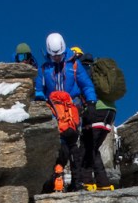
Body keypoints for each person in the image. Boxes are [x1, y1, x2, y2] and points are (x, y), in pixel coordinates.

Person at [37, 33, 97, 191]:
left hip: (72, 109)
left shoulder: (74, 65)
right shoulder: (44, 69)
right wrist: (40, 100)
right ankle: (55, 181)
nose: (57, 58)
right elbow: (39, 89)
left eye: (59, 55)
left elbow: (86, 85)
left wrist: (91, 102)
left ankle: (76, 182)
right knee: (58, 146)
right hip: (53, 111)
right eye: (53, 56)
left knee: (73, 144)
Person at [72, 48, 117, 190]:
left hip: (95, 110)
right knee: (93, 147)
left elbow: (80, 91)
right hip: (110, 111)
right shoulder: (97, 70)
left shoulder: (82, 71)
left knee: (86, 146)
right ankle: (103, 184)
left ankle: (87, 182)